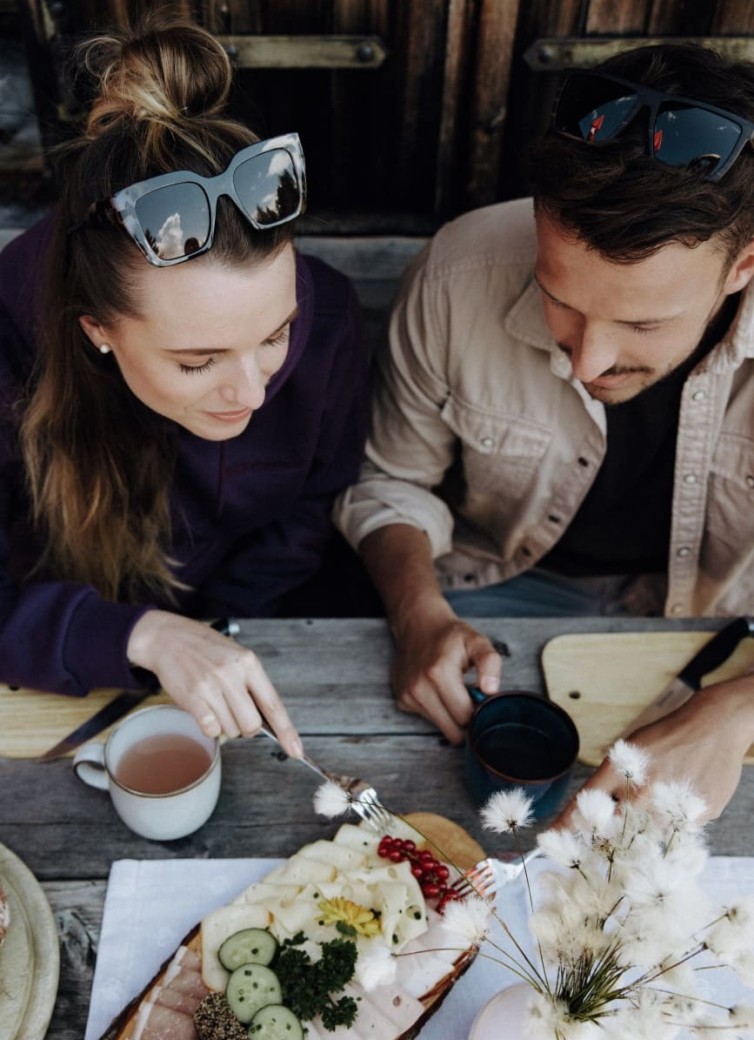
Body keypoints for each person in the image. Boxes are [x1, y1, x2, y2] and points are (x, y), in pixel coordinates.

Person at [333, 41, 754, 818]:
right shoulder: (458, 275)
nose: (588, 357)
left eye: (641, 321)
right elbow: (391, 481)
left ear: (742, 268)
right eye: (559, 296)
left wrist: (736, 710)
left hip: (731, 637)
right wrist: (417, 608)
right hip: (498, 603)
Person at [0, 13, 371, 756]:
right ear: (96, 330)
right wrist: (136, 634)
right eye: (197, 362)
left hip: (245, 648)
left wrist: (217, 634)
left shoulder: (328, 320)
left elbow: (308, 509)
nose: (253, 392)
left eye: (275, 336)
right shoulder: (9, 345)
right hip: (52, 688)